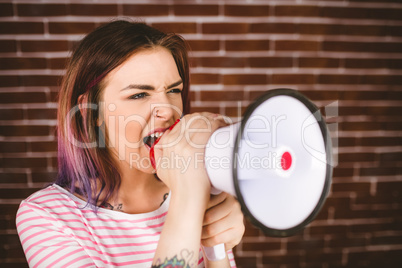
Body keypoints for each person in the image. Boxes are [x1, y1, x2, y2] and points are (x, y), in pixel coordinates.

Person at [16, 19, 245, 267]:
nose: (167, 111)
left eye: (174, 90)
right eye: (139, 94)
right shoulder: (45, 216)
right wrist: (190, 195)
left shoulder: (203, 187)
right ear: (92, 112)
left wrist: (216, 246)